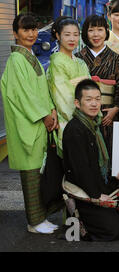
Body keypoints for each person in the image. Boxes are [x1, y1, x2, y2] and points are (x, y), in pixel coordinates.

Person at [1, 14, 60, 234]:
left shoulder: (29, 55)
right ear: (15, 33)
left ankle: (40, 218)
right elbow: (23, 95)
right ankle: (34, 222)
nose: (31, 34)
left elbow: (40, 89)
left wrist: (51, 109)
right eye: (25, 30)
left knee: (38, 172)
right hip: (29, 123)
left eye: (34, 29)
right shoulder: (17, 59)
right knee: (31, 173)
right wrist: (44, 115)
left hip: (36, 122)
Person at [62, 79, 119, 241]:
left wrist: (117, 174)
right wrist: (96, 195)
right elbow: (80, 169)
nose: (94, 104)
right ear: (77, 103)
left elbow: (105, 160)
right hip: (84, 191)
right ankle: (78, 223)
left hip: (100, 183)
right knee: (117, 230)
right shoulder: (74, 130)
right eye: (89, 99)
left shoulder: (96, 124)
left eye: (97, 99)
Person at [75, 15, 119, 155]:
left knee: (109, 152)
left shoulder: (116, 59)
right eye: (91, 30)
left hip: (108, 114)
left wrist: (115, 108)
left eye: (100, 29)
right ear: (85, 33)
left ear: (106, 32)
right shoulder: (78, 58)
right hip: (83, 112)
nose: (96, 34)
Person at [47, 18, 90, 157]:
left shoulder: (81, 62)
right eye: (67, 34)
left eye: (75, 34)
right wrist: (82, 117)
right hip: (69, 120)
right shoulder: (57, 62)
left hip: (86, 118)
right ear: (58, 36)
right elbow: (63, 96)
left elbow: (91, 89)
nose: (72, 39)